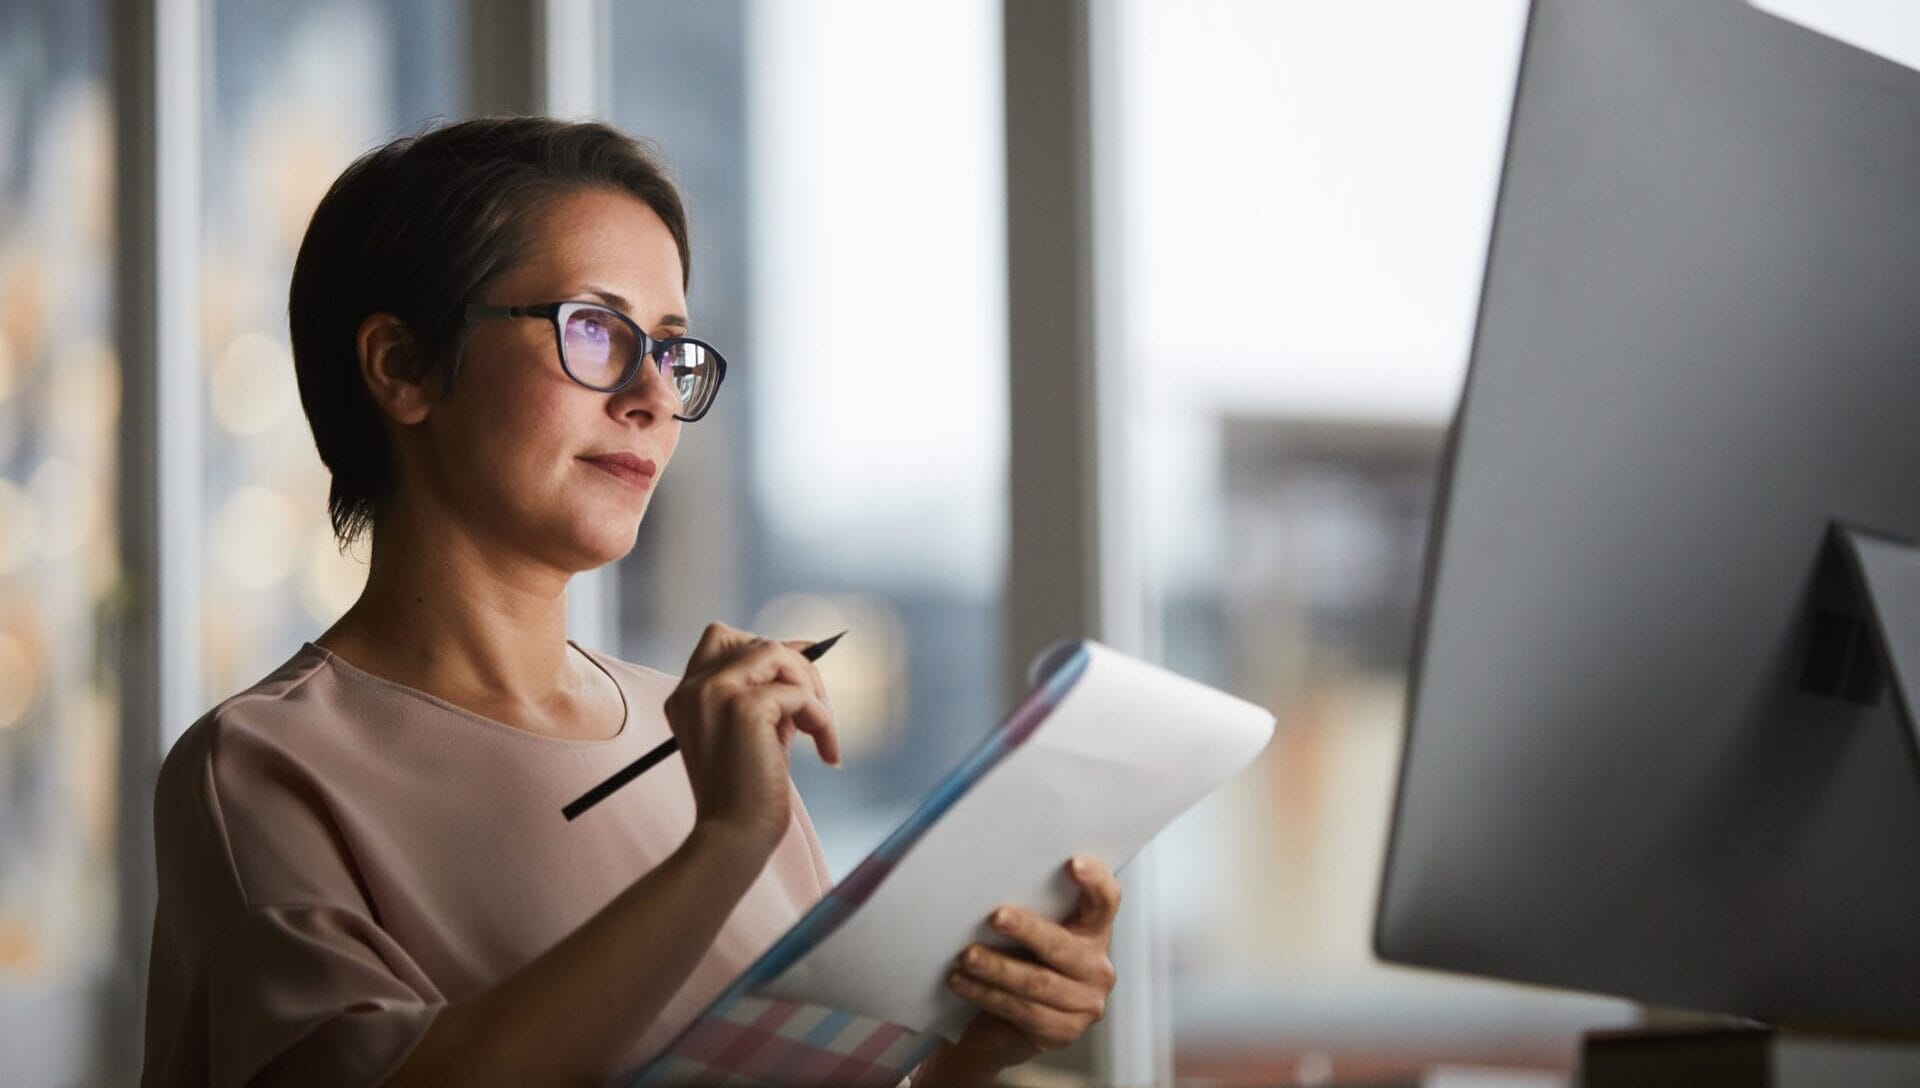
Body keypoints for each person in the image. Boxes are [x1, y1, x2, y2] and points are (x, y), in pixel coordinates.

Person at [140, 117, 1121, 1087]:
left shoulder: (699, 733)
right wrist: (724, 842)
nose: (654, 392)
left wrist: (967, 1056)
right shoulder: (263, 767)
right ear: (401, 366)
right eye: (596, 331)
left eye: (672, 349)